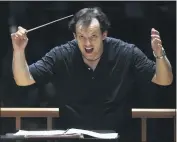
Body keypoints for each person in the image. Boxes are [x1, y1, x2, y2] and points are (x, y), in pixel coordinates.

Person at [11, 7, 173, 141]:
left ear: (104, 35)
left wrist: (160, 54)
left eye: (93, 36)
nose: (87, 43)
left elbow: (164, 80)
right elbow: (24, 80)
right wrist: (18, 51)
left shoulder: (126, 52)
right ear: (74, 36)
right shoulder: (61, 54)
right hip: (73, 138)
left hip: (120, 136)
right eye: (82, 37)